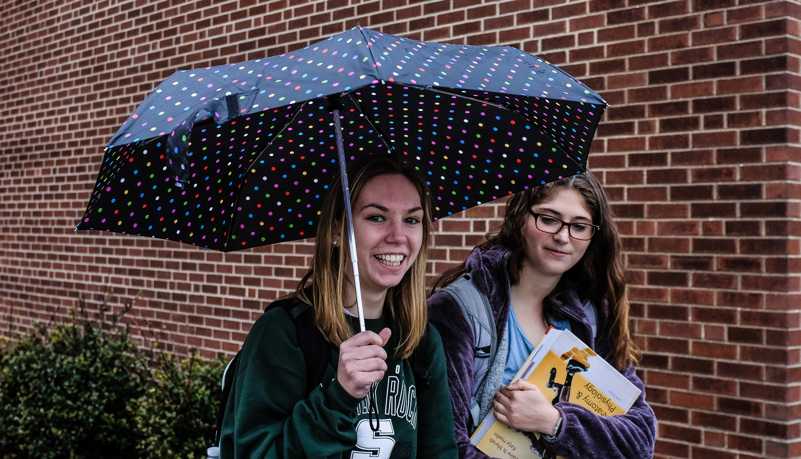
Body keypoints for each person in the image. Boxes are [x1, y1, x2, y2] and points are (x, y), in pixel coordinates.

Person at [220, 155, 458, 458]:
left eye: (412, 219)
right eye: (376, 217)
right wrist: (338, 396)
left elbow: (440, 451)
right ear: (336, 231)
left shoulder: (422, 341)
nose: (398, 236)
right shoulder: (284, 333)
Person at [428, 172, 656, 459]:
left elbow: (640, 440)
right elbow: (444, 445)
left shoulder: (591, 315)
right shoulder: (461, 310)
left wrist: (555, 423)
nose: (562, 237)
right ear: (521, 218)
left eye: (580, 226)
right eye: (548, 219)